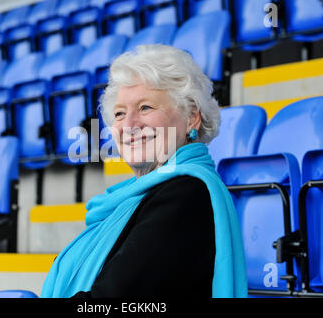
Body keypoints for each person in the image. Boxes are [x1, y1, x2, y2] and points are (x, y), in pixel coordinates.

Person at [40, 45, 247, 298]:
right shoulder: (134, 197)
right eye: (119, 113)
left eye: (145, 108)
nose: (129, 125)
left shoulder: (186, 194)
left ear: (192, 116)